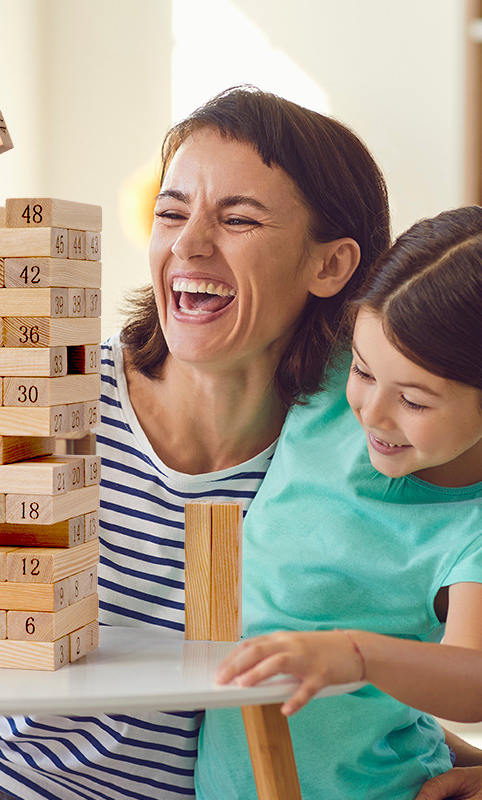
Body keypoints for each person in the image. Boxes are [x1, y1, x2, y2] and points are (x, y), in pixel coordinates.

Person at [0, 86, 475, 799]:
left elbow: (343, 671)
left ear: (332, 265)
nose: (189, 245)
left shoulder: (368, 449)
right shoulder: (52, 392)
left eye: (239, 219)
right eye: (171, 210)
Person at [198, 206, 482, 799]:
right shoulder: (325, 388)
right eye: (363, 370)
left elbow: (473, 681)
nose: (372, 412)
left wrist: (357, 655)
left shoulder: (470, 525)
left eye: (415, 400)